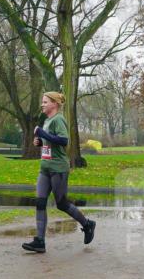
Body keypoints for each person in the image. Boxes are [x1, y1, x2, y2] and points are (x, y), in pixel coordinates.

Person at [21, 92, 96, 253]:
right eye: (42, 102)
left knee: (61, 203)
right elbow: (50, 141)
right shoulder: (48, 120)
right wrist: (41, 142)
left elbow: (63, 141)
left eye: (45, 102)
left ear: (54, 104)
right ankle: (40, 241)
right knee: (40, 202)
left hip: (58, 168)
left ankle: (87, 224)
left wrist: (42, 134)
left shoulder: (58, 119)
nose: (42, 104)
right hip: (45, 168)